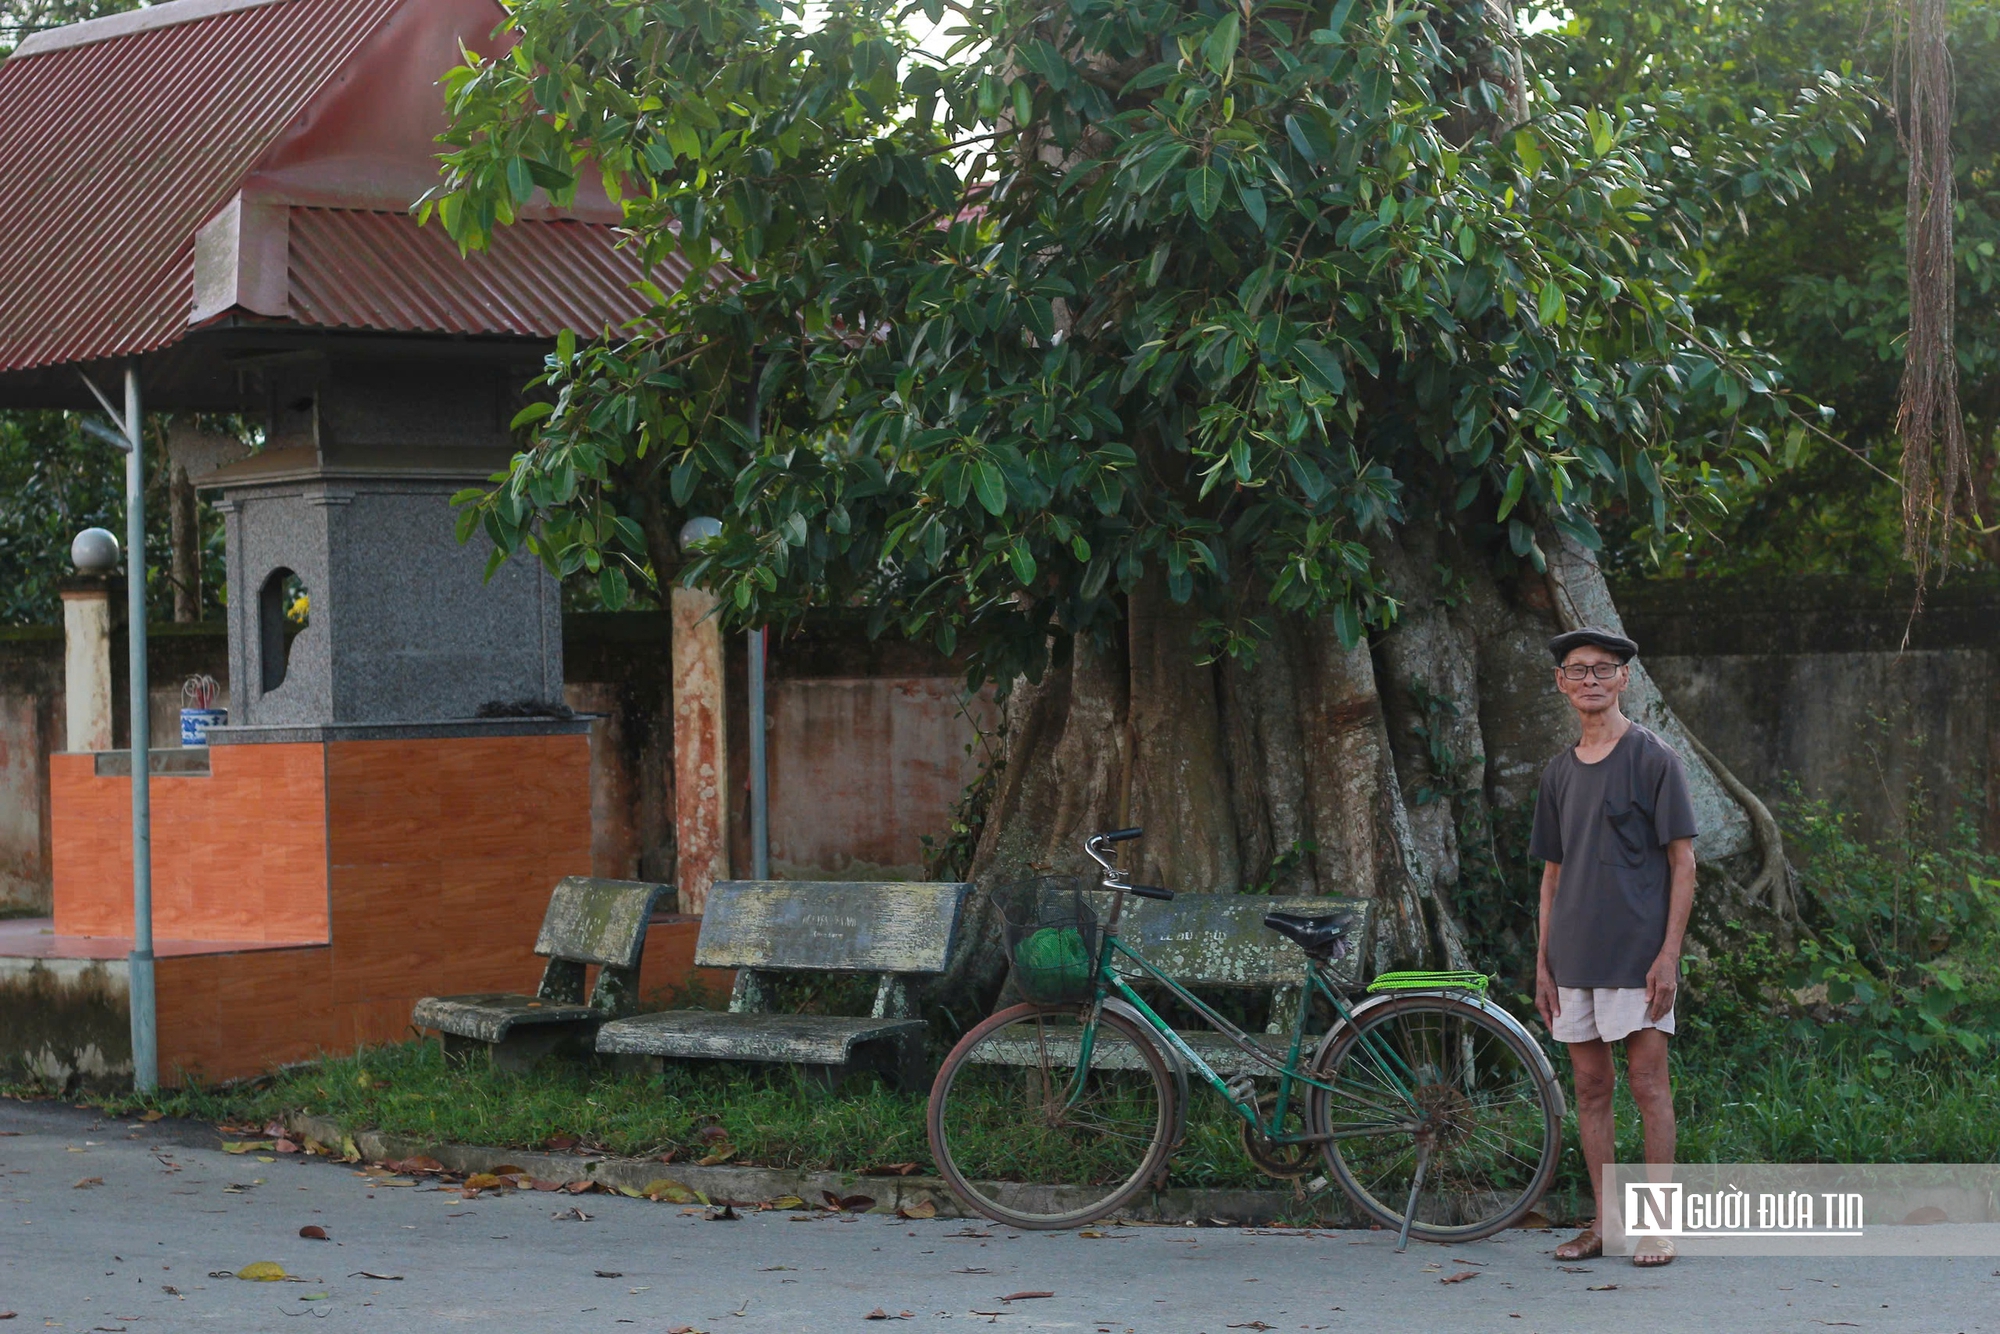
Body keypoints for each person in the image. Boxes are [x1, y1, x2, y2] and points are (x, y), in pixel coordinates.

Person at [1529, 627, 1697, 1269]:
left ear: (1626, 677)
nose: (1591, 680)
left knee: (1648, 1082)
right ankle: (1604, 1223)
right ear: (1561, 682)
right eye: (1578, 671)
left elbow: (1683, 863)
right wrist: (1543, 962)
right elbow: (1552, 875)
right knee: (1591, 1086)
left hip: (1637, 955)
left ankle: (1658, 1227)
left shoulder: (1655, 758)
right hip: (1572, 955)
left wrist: (1668, 955)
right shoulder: (1558, 771)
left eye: (1604, 669)